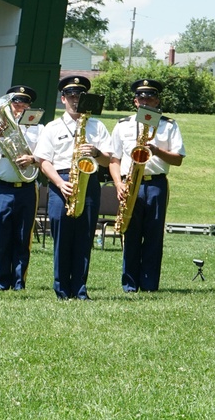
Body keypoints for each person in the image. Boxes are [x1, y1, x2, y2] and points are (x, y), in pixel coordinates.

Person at [33, 76, 112, 300]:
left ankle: (80, 289)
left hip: (89, 181)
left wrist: (96, 152)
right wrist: (59, 182)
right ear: (63, 99)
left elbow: (107, 160)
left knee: (84, 238)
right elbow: (43, 161)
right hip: (62, 182)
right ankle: (61, 290)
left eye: (79, 95)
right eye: (71, 96)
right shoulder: (52, 127)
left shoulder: (96, 126)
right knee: (62, 238)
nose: (75, 100)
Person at [108, 79, 185, 292]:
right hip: (130, 183)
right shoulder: (123, 125)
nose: (145, 101)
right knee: (130, 233)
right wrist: (118, 184)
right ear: (135, 101)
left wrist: (156, 150)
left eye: (150, 97)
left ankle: (150, 285)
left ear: (157, 100)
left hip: (156, 183)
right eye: (141, 98)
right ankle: (130, 285)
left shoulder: (168, 125)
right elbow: (114, 160)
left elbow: (178, 159)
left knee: (153, 235)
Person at [0, 85, 44, 290]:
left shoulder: (38, 128)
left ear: (29, 106)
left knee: (23, 236)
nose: (18, 106)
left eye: (23, 103)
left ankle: (19, 281)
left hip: (27, 187)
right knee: (1, 236)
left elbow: (46, 157)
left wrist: (32, 159)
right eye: (15, 102)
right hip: (2, 188)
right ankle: (1, 280)